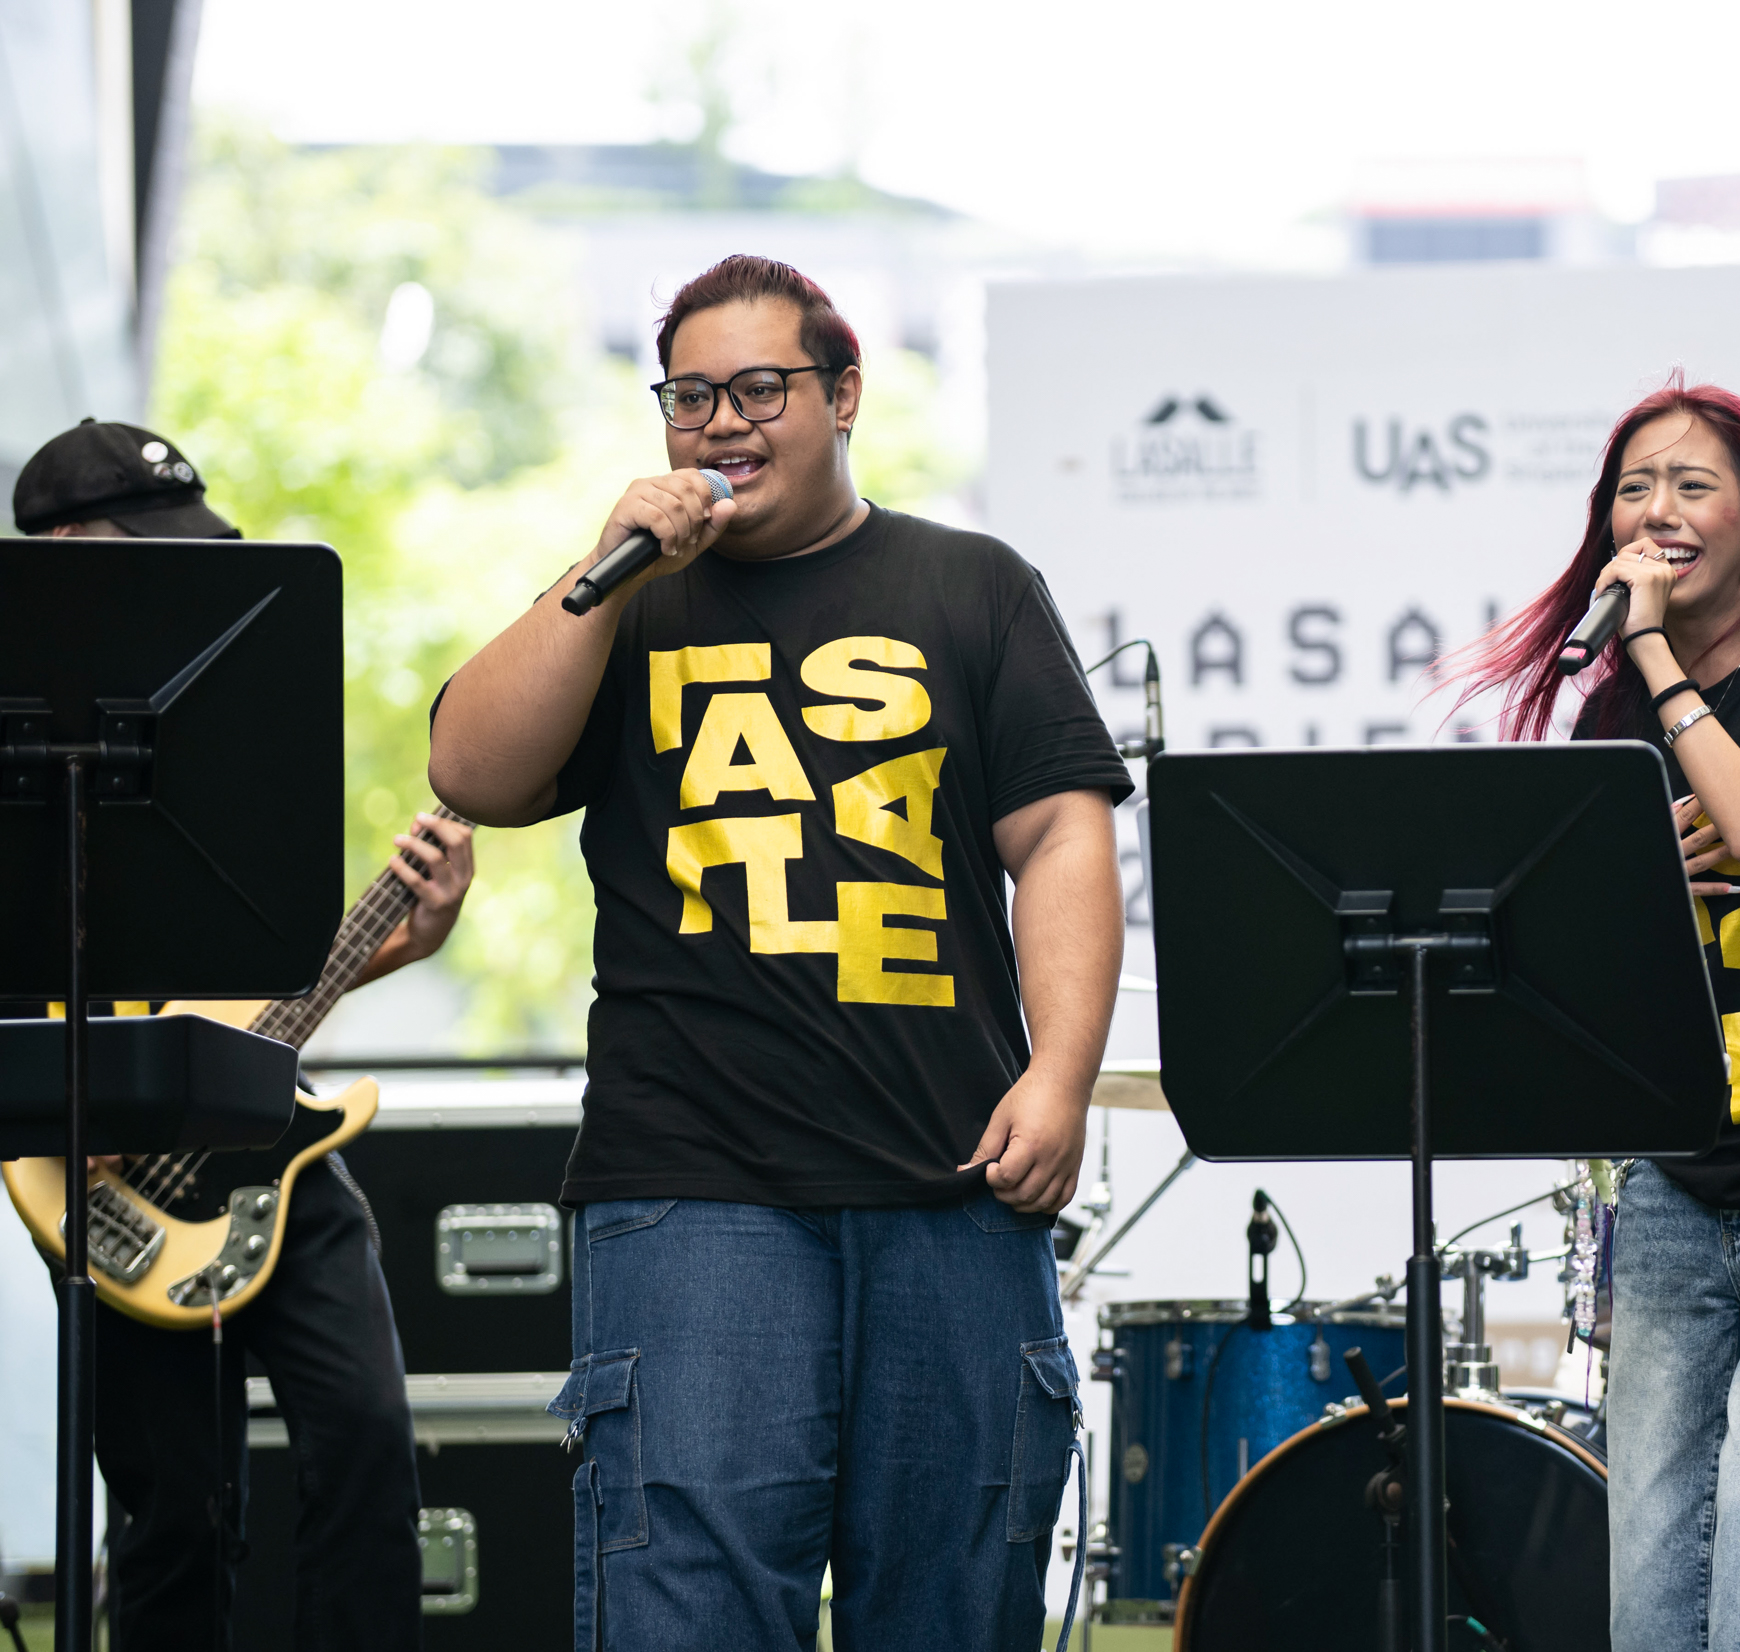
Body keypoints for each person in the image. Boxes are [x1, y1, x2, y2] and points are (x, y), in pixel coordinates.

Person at [426, 254, 1129, 1650]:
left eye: (762, 388)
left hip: (951, 1177)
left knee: (952, 1599)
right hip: (695, 1189)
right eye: (691, 397)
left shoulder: (972, 585)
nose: (724, 423)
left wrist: (1061, 1079)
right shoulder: (624, 604)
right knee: (687, 1604)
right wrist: (602, 563)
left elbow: (1059, 838)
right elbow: (474, 770)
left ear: (845, 392)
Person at [1449, 377, 1740, 1652]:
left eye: (1690, 485)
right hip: (1668, 1180)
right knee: (1649, 1595)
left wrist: (1648, 648)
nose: (1654, 510)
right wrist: (1620, 873)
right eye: (1632, 487)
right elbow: (1568, 961)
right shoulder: (1608, 721)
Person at [10, 416, 475, 1650]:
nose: (184, 578)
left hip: (265, 1139)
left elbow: (253, 984)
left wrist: (398, 943)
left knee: (371, 1443)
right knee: (169, 1512)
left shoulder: (213, 714)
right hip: (97, 1156)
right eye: (148, 550)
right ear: (60, 551)